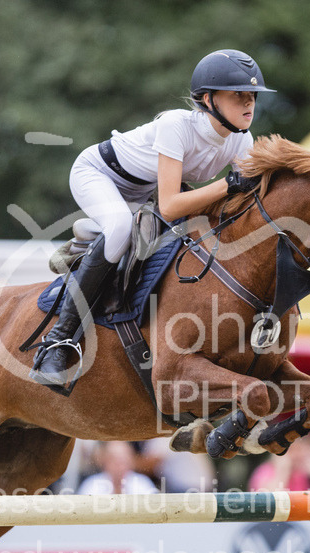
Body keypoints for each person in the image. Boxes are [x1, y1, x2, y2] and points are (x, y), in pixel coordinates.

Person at [31, 49, 275, 392]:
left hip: (143, 191)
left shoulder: (242, 140)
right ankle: (56, 344)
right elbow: (172, 205)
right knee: (119, 228)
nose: (249, 104)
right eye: (238, 96)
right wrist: (226, 184)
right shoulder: (177, 125)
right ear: (208, 99)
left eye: (252, 96)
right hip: (99, 174)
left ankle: (94, 240)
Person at [77, 441, 159, 495]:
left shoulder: (143, 484)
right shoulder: (91, 485)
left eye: (124, 461)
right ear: (105, 462)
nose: (121, 467)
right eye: (116, 461)